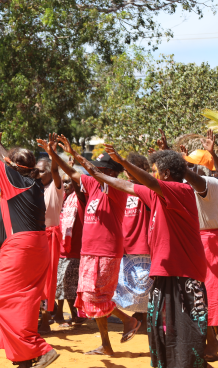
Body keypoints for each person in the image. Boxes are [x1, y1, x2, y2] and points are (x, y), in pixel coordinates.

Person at [0, 105, 57, 368]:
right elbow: (8, 159)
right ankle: (24, 358)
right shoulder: (31, 181)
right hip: (37, 245)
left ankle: (41, 348)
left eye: (7, 160)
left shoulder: (13, 179)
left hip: (21, 246)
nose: (2, 161)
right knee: (24, 300)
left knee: (2, 301)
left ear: (13, 166)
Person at [99, 144, 208, 368]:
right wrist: (96, 173)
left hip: (185, 275)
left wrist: (121, 161)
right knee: (161, 332)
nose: (152, 174)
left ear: (166, 174)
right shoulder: (156, 195)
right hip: (164, 272)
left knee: (187, 334)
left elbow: (147, 182)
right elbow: (126, 185)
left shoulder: (181, 190)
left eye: (155, 170)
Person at [43, 134, 140, 356]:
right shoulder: (94, 185)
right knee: (89, 296)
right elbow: (72, 173)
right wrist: (54, 155)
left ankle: (129, 321)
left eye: (101, 169)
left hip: (106, 251)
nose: (94, 171)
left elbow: (87, 171)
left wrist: (73, 154)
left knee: (97, 297)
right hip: (89, 250)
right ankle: (106, 344)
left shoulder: (118, 188)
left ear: (112, 173)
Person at [178, 129, 218, 358]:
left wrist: (177, 161)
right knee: (208, 291)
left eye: (193, 166)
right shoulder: (207, 184)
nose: (189, 171)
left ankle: (214, 342)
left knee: (210, 291)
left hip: (212, 241)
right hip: (208, 239)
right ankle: (217, 338)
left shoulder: (209, 184)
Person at [112, 152, 153, 333]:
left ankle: (145, 317)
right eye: (126, 169)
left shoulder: (147, 188)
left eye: (131, 168)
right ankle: (137, 315)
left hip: (143, 243)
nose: (128, 173)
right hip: (125, 242)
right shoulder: (123, 187)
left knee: (144, 283)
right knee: (128, 282)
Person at [36, 136, 64, 333]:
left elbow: (55, 170)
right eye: (36, 170)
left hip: (50, 237)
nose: (37, 173)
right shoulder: (35, 188)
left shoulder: (56, 188)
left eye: (41, 171)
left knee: (47, 281)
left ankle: (46, 320)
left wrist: (52, 153)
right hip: (34, 236)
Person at [53, 173, 86, 327]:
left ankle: (75, 314)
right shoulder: (62, 199)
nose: (65, 185)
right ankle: (62, 314)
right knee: (62, 283)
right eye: (63, 182)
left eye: (68, 182)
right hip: (60, 248)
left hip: (76, 248)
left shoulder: (81, 199)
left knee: (70, 284)